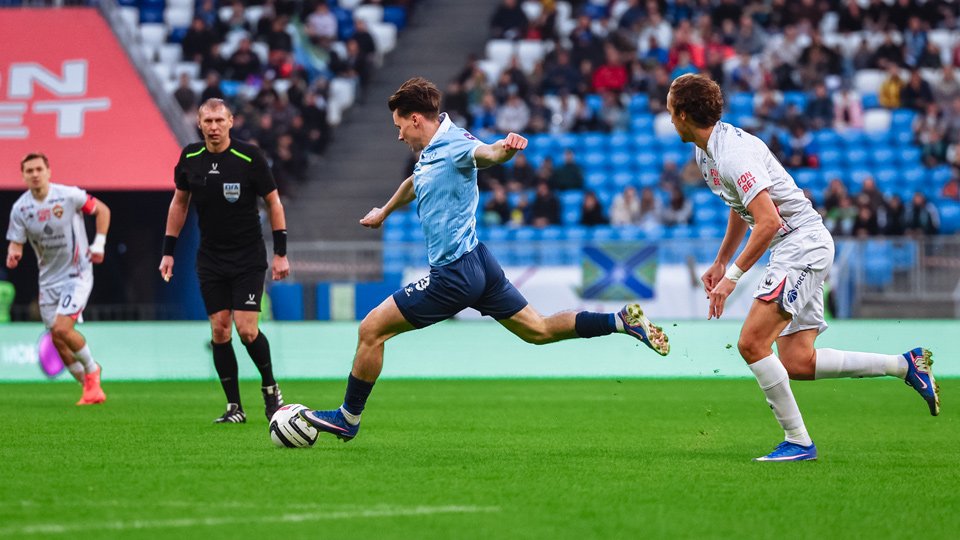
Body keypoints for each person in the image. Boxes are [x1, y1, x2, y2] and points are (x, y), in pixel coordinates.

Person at [298, 78, 670, 442]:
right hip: (479, 261)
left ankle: (347, 418)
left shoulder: (455, 144)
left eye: (399, 127)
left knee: (371, 329)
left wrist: (506, 148)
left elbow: (487, 154)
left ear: (415, 119)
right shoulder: (432, 151)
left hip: (454, 273)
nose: (399, 136)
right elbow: (415, 182)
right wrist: (385, 211)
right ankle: (619, 320)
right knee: (538, 330)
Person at [666, 74, 939, 462]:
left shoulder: (733, 154)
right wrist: (722, 259)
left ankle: (798, 441)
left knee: (751, 343)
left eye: (669, 108)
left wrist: (732, 278)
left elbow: (768, 222)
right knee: (797, 361)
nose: (667, 116)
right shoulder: (707, 153)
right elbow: (741, 206)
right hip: (796, 246)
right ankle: (905, 365)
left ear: (682, 114)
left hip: (800, 245)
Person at [159, 98, 290, 424]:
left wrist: (280, 252)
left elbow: (273, 202)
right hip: (211, 258)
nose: (214, 127)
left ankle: (270, 388)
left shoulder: (249, 156)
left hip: (248, 257)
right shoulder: (190, 157)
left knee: (247, 330)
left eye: (220, 120)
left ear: (231, 121)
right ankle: (235, 407)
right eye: (208, 121)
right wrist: (168, 251)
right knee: (219, 330)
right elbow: (179, 203)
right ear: (199, 124)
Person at [6, 153, 110, 405]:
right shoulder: (20, 209)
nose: (34, 174)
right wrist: (13, 252)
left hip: (77, 273)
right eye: (29, 171)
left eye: (38, 169)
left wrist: (99, 244)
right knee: (56, 337)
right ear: (23, 176)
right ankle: (88, 387)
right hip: (48, 280)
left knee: (63, 329)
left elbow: (102, 210)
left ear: (48, 172)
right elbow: (16, 242)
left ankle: (92, 371)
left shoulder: (69, 196)